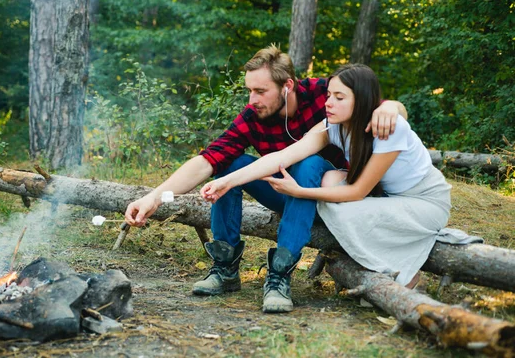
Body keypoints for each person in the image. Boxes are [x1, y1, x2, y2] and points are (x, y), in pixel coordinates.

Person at [125, 46, 407, 313]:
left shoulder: (325, 94)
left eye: (261, 91)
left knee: (309, 163)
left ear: (288, 86)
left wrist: (391, 106)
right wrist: (154, 196)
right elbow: (207, 160)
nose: (252, 100)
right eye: (249, 91)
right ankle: (225, 268)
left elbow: (383, 107)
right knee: (230, 163)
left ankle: (279, 275)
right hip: (286, 195)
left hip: (336, 199)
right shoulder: (253, 116)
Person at [201, 63, 478, 294]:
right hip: (387, 197)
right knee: (329, 181)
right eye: (329, 95)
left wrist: (299, 191)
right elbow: (281, 157)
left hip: (424, 201)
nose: (328, 103)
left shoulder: (388, 129)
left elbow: (358, 191)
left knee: (338, 208)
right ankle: (226, 269)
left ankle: (405, 275)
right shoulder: (331, 126)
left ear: (362, 100)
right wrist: (228, 181)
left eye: (339, 97)